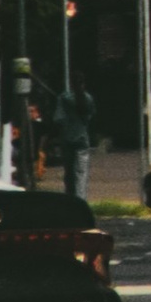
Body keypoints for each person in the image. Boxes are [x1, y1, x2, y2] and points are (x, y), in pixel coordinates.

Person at [54, 78, 94, 207]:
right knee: (81, 173)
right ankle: (80, 201)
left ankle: (69, 200)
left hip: (67, 139)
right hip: (82, 138)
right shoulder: (87, 98)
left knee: (69, 173)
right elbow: (90, 116)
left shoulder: (64, 98)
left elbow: (58, 118)